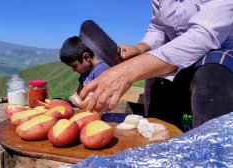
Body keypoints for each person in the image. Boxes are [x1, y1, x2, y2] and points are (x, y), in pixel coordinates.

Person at [79, 0, 233, 129]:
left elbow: (203, 36)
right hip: (177, 59)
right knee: (155, 76)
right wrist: (140, 49)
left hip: (220, 59)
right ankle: (160, 140)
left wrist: (129, 70)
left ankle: (209, 151)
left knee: (214, 71)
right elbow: (158, 28)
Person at [60, 36, 109, 108]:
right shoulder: (85, 71)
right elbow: (79, 91)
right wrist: (71, 100)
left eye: (74, 66)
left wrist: (78, 103)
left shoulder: (101, 72)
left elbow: (104, 100)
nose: (74, 70)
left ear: (86, 57)